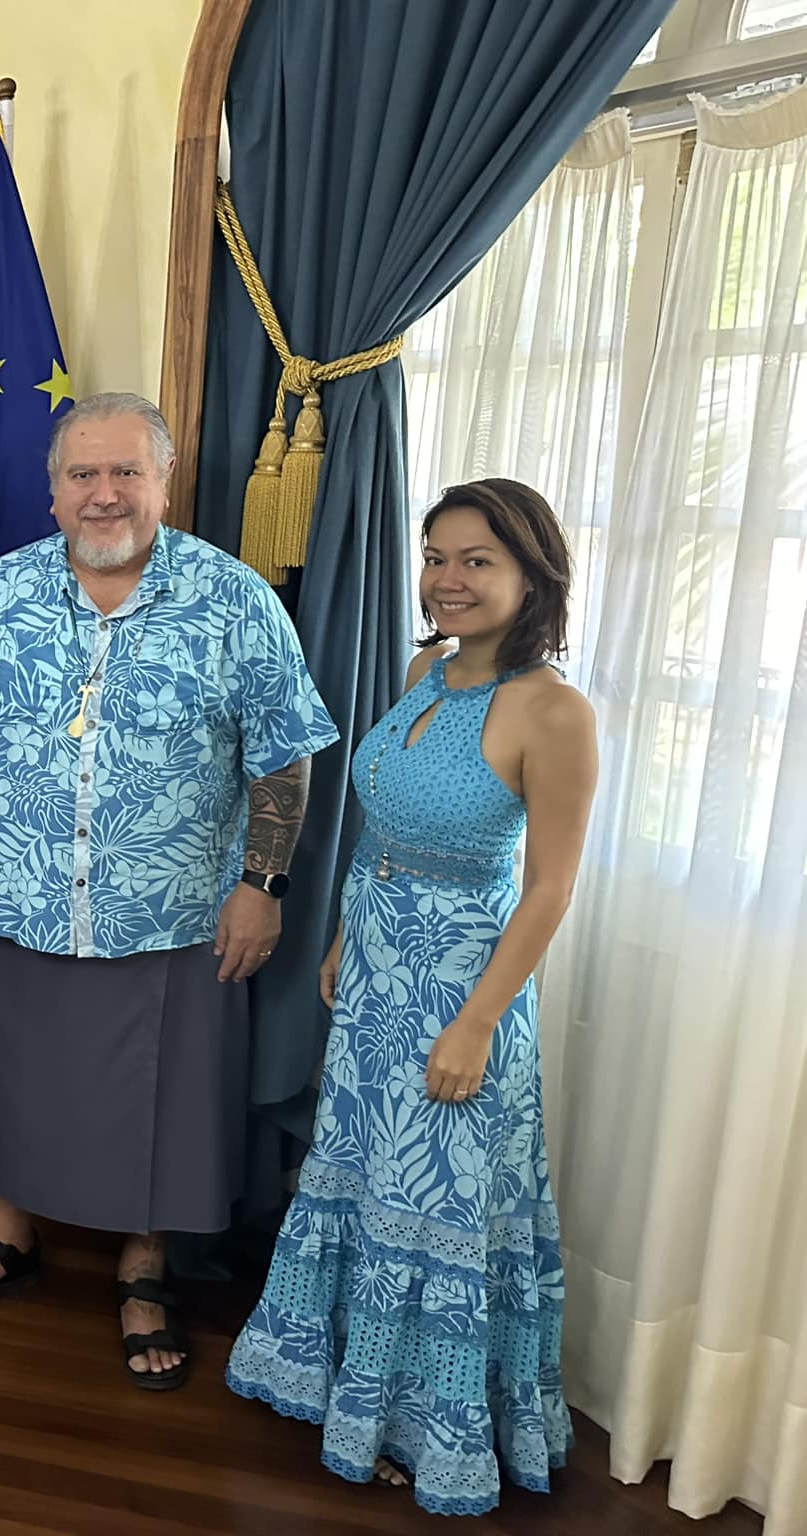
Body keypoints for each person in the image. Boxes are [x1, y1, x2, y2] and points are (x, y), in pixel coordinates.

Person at [0, 392, 340, 1389]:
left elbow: (283, 757)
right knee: (14, 1076)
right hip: (16, 896)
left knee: (157, 1098)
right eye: (82, 475)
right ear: (50, 492)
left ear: (162, 484)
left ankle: (143, 1265)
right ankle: (5, 1235)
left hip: (172, 911)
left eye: (124, 473)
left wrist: (261, 883)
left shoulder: (233, 601)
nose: (104, 494)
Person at [225, 479, 596, 1515]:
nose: (446, 579)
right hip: (378, 974)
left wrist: (476, 1021)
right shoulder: (422, 667)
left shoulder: (552, 710)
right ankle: (348, 1388)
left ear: (530, 572)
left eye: (475, 559)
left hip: (460, 992)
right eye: (435, 556)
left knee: (435, 1203)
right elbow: (380, 825)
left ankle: (416, 1427)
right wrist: (345, 930)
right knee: (362, 1178)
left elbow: (550, 886)